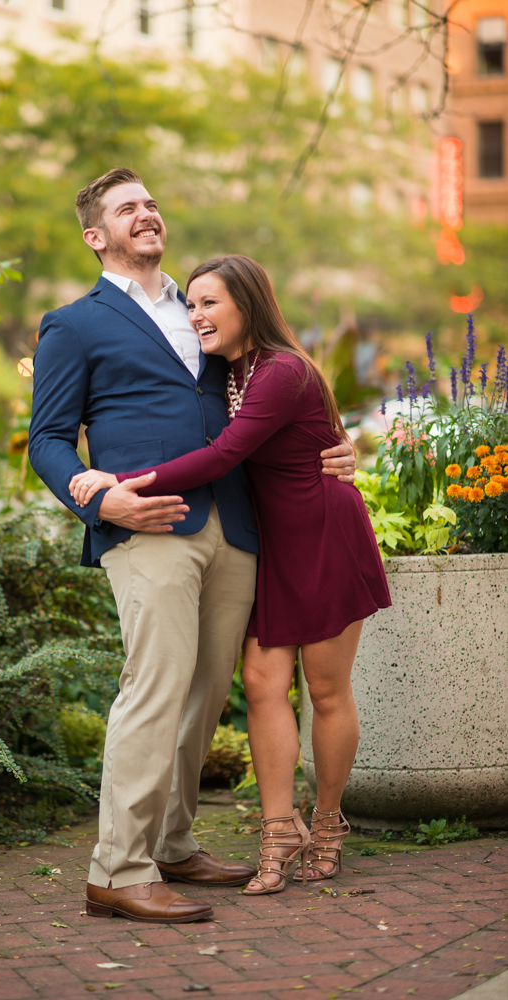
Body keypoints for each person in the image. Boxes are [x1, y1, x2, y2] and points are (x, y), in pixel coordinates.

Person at [29, 168, 356, 923]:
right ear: (95, 236)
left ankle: (172, 842)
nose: (145, 214)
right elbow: (47, 438)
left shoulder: (208, 306)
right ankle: (118, 866)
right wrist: (95, 494)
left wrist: (334, 453)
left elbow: (282, 394)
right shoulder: (72, 324)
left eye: (149, 203)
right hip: (147, 528)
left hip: (237, 528)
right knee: (154, 687)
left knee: (205, 696)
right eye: (124, 209)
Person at [70, 254, 391, 897]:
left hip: (322, 534)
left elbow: (224, 454)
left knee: (325, 690)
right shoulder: (221, 370)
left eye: (210, 303)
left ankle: (327, 824)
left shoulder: (282, 369)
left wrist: (119, 483)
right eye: (190, 305)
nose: (196, 316)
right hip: (267, 542)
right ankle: (279, 828)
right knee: (260, 680)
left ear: (249, 303)